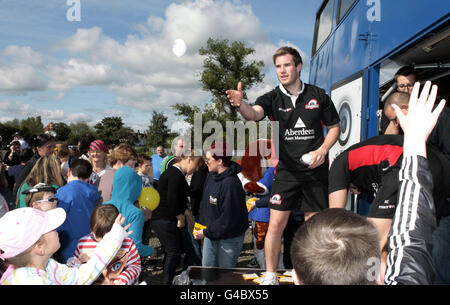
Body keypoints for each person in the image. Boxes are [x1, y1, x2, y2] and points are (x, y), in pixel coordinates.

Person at [290, 81, 445, 285]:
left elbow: (337, 221)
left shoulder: (337, 166)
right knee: (418, 233)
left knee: (372, 239)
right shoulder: (364, 169)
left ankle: (371, 280)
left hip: (401, 162)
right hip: (432, 167)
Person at [225, 46, 340, 284]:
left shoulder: (319, 95)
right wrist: (240, 105)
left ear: (298, 67)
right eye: (278, 66)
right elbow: (254, 114)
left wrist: (322, 150)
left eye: (287, 65)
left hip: (315, 172)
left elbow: (335, 128)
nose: (282, 70)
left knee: (313, 225)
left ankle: (310, 274)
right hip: (286, 172)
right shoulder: (272, 98)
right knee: (276, 223)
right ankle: (270, 274)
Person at [328, 134, 450, 252]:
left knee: (373, 240)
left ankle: (370, 272)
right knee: (423, 236)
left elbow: (335, 217)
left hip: (405, 160)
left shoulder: (338, 164)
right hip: (436, 164)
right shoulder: (367, 173)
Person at [0, 207, 132, 285]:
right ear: (39, 247)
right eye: (50, 228)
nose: (57, 228)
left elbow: (80, 277)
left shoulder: (48, 265)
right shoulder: (30, 281)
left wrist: (113, 238)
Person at [151, 152, 203, 284]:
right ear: (189, 160)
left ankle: (172, 278)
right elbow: (172, 199)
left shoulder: (177, 173)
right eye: (197, 166)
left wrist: (186, 213)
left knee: (175, 250)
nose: (197, 169)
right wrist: (180, 216)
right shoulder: (175, 174)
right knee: (173, 252)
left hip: (166, 217)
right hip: (163, 218)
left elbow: (181, 196)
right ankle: (167, 281)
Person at [194, 142, 248, 268]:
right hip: (210, 234)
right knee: (207, 271)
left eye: (208, 160)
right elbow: (205, 204)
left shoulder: (230, 185)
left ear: (219, 161)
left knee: (224, 274)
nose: (206, 163)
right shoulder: (211, 176)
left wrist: (206, 232)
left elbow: (228, 218)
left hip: (228, 238)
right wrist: (202, 229)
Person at [67, 204, 141, 285]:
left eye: (108, 238)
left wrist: (123, 280)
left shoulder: (127, 243)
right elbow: (74, 270)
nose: (103, 242)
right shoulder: (83, 244)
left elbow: (135, 266)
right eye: (98, 236)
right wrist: (76, 262)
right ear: (91, 229)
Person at [55, 159, 101, 263]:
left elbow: (57, 222)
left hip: (69, 247)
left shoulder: (63, 193)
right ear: (89, 177)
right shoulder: (94, 193)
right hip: (91, 245)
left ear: (69, 172)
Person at [104, 166, 154, 259]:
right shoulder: (135, 213)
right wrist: (151, 251)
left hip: (103, 259)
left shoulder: (102, 206)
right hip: (124, 264)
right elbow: (135, 247)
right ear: (135, 186)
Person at [384, 91, 450, 161]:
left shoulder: (442, 117)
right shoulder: (406, 126)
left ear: (405, 107)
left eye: (395, 119)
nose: (395, 124)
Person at [13, 133, 56, 203]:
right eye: (49, 147)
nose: (52, 150)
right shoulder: (32, 165)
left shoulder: (50, 163)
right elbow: (18, 187)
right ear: (39, 148)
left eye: (53, 147)